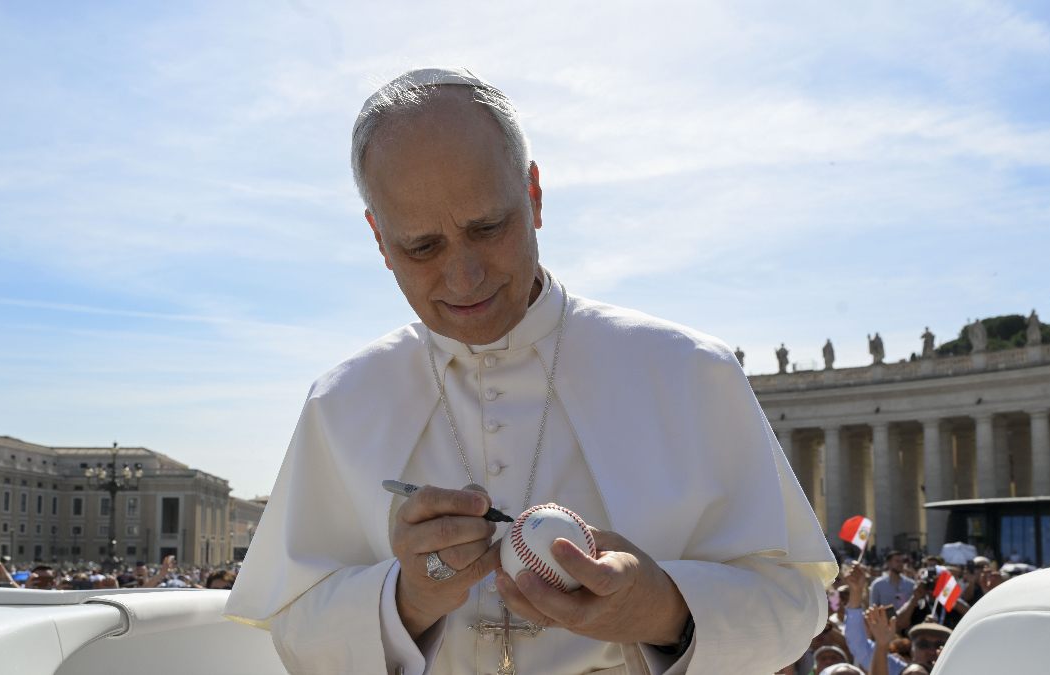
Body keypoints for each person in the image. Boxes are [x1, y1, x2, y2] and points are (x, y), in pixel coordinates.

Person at [226, 67, 837, 674]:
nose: (465, 278)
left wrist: (663, 608)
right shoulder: (342, 402)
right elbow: (293, 635)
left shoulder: (688, 370)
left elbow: (795, 602)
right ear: (379, 240)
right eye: (422, 247)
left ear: (535, 195)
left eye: (488, 228)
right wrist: (406, 600)